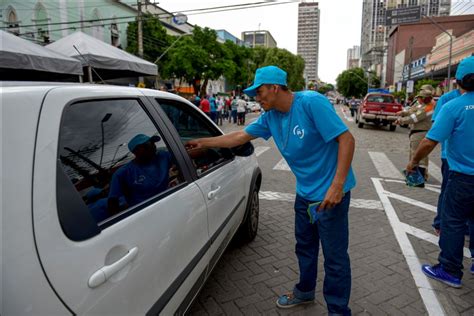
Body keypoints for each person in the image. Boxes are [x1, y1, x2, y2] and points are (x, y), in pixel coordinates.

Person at [186, 65, 356, 314]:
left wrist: (337, 185)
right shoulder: (270, 117)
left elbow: (347, 139)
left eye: (260, 92)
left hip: (331, 196)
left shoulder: (311, 103)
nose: (257, 98)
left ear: (275, 88)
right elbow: (238, 138)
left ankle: (338, 311)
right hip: (305, 195)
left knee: (335, 258)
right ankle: (305, 291)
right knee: (305, 248)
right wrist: (202, 142)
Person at [406, 56, 474, 287]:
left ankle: (450, 270)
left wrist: (413, 162)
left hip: (462, 176)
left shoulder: (453, 106)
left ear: (458, 81)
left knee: (453, 222)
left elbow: (429, 141)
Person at [108, 134, 171, 214]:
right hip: (146, 214)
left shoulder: (162, 156)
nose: (154, 146)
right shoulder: (122, 173)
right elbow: (113, 204)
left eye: (153, 143)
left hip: (170, 203)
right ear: (137, 150)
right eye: (149, 144)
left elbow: (185, 154)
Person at [431, 84, 464, 235]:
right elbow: (437, 126)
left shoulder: (449, 101)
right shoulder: (447, 99)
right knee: (447, 192)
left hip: (453, 159)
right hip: (450, 158)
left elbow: (434, 131)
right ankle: (440, 223)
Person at [396, 84, 436, 182]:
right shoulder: (422, 105)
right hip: (416, 132)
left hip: (420, 133)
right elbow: (412, 110)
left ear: (424, 98)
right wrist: (403, 113)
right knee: (414, 153)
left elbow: (414, 118)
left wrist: (401, 120)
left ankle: (419, 177)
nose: (418, 98)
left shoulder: (428, 107)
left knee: (419, 156)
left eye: (420, 96)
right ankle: (413, 173)